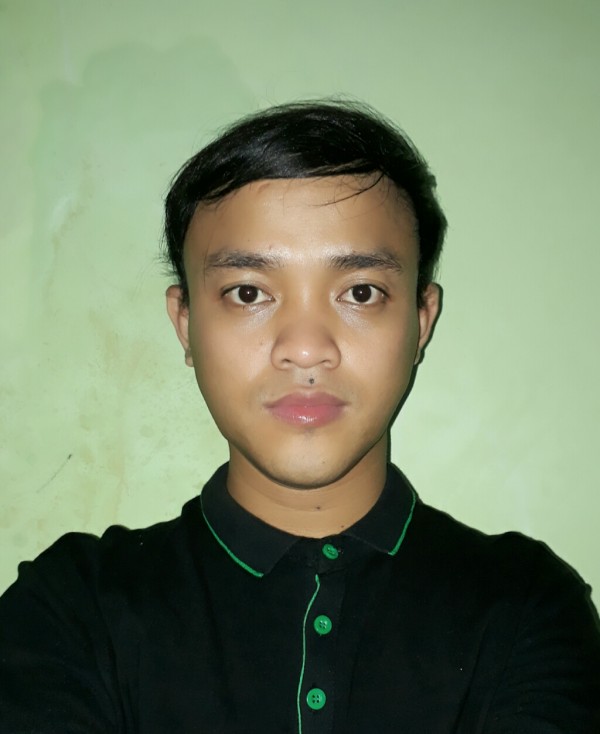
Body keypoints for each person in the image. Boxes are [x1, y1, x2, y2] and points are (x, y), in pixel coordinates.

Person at [1, 101, 599, 733]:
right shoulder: (72, 610)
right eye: (249, 293)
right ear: (185, 323)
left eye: (361, 292)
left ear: (420, 322)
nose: (307, 348)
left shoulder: (527, 606)